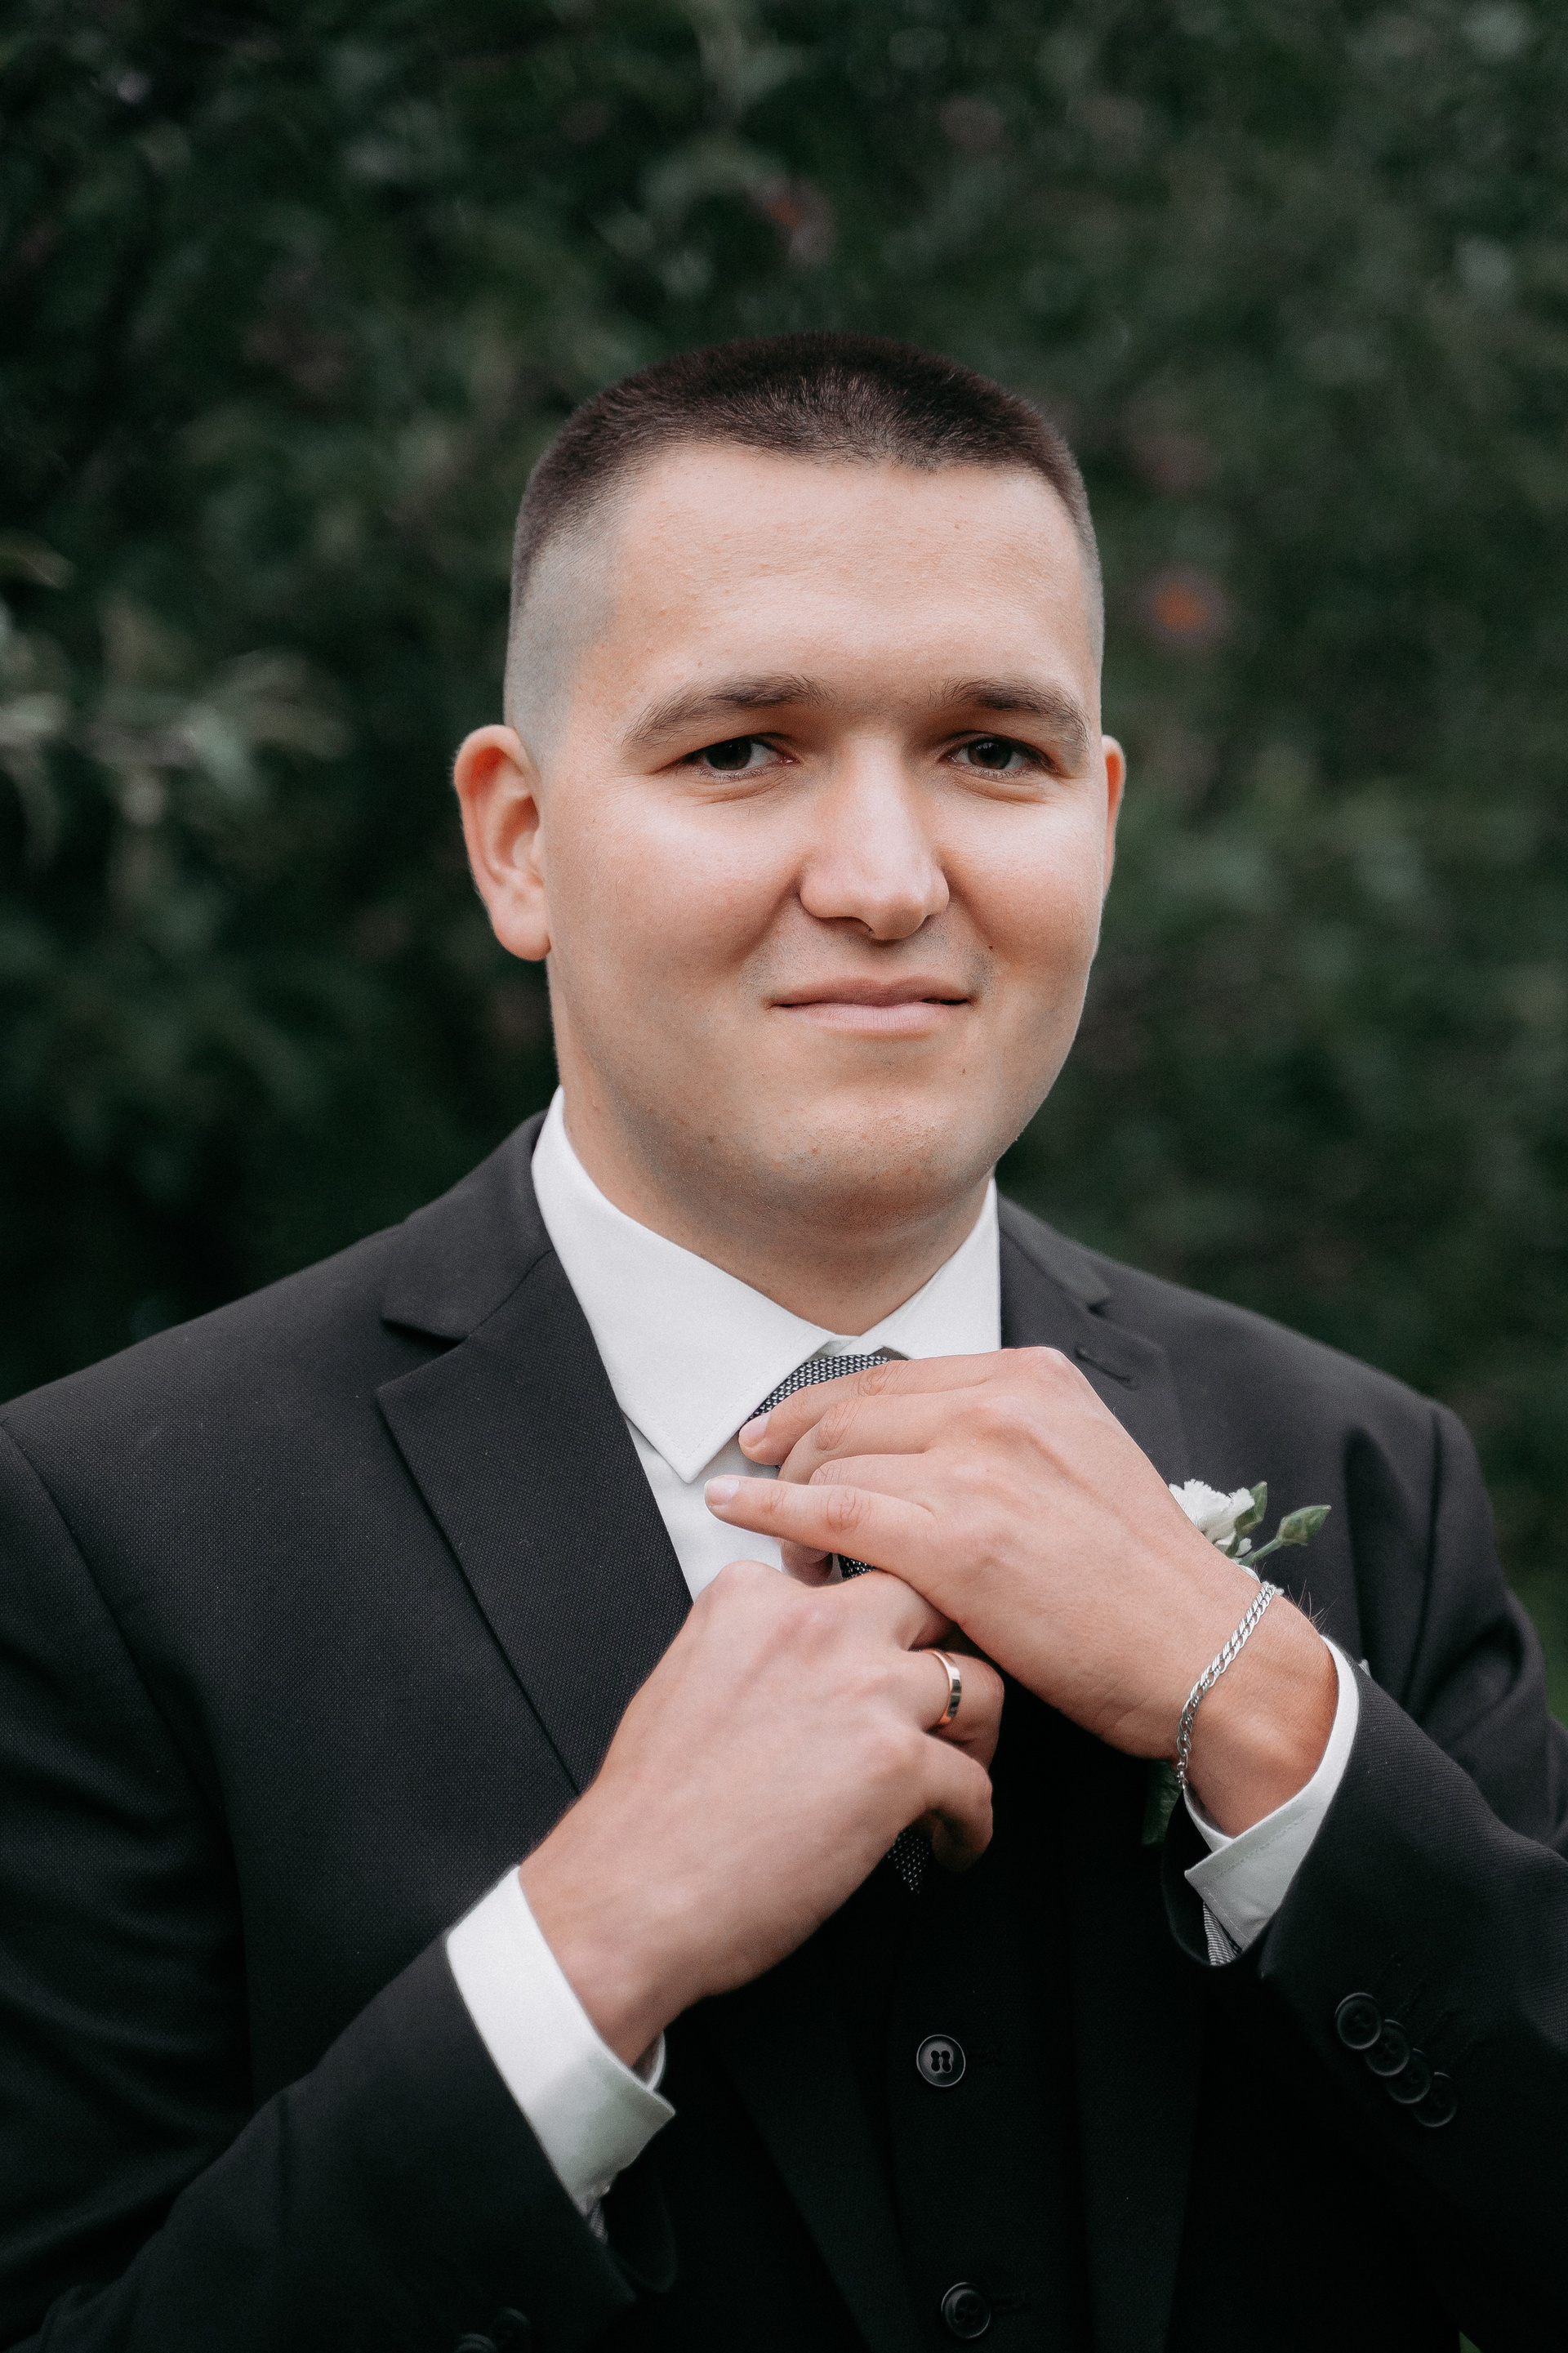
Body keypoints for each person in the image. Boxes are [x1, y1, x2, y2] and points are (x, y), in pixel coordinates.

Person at [0, 334, 1563, 2353]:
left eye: (992, 751)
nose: (888, 882)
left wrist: (1258, 1710)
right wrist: (589, 1947)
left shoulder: (1363, 1475)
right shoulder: (109, 1537)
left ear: (1099, 819)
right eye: (743, 750)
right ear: (519, 839)